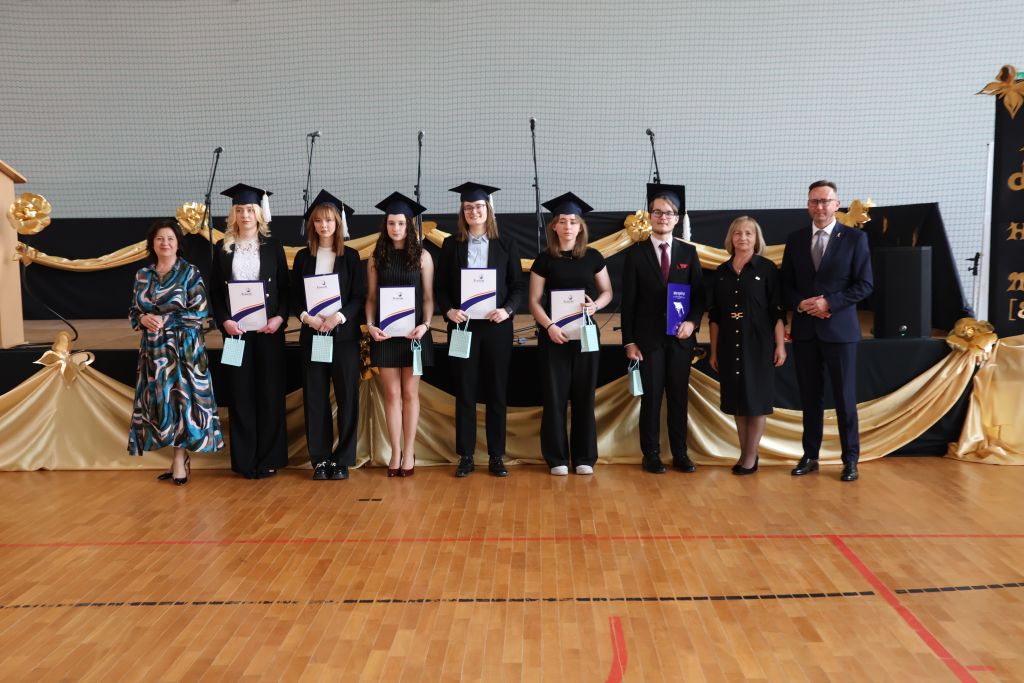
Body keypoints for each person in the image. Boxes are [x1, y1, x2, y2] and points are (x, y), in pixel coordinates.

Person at [781, 180, 873, 481]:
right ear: (808, 205)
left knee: (845, 398)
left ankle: (850, 460)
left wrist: (828, 302)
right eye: (814, 201)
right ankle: (810, 456)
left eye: (825, 201)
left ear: (836, 204)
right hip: (806, 332)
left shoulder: (855, 238)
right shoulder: (795, 239)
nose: (819, 206)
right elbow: (785, 285)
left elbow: (865, 285)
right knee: (810, 398)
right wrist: (801, 303)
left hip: (840, 332)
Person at [436, 182, 525, 478]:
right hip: (462, 328)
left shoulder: (506, 244)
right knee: (465, 392)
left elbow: (517, 286)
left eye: (478, 206)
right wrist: (448, 311)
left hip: (496, 327)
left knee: (496, 392)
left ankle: (496, 456)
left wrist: (507, 310)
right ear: (462, 212)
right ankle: (466, 455)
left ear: (488, 209)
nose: (473, 211)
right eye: (468, 207)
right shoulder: (451, 245)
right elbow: (441, 287)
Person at [128, 219, 224, 484]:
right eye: (159, 238)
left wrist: (165, 319)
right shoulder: (143, 275)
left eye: (170, 238)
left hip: (185, 349)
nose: (165, 243)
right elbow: (133, 311)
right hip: (154, 350)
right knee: (163, 404)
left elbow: (200, 313)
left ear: (178, 243)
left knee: (183, 403)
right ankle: (176, 458)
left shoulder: (189, 272)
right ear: (152, 244)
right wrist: (142, 318)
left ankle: (180, 460)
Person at [621, 183, 706, 474]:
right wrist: (629, 341)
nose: (662, 217)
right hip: (648, 341)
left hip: (681, 339)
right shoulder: (636, 254)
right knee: (652, 398)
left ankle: (680, 453)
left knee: (679, 398)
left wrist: (692, 322)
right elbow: (628, 303)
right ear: (649, 216)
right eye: (657, 212)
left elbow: (699, 297)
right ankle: (651, 454)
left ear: (677, 218)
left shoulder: (688, 252)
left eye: (668, 213)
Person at [528, 192, 613, 475]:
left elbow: (607, 292)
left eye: (573, 221)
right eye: (562, 221)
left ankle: (585, 457)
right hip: (554, 337)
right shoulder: (544, 259)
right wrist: (549, 326)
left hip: (585, 334)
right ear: (554, 226)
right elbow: (533, 301)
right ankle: (557, 458)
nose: (567, 226)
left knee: (584, 396)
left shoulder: (593, 257)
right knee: (554, 398)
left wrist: (595, 305)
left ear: (580, 227)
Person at [209, 183, 290, 479]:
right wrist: (224, 321)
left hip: (268, 332)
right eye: (240, 210)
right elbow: (215, 292)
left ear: (259, 213)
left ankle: (269, 458)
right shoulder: (222, 248)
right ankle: (244, 460)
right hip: (236, 334)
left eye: (250, 210)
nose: (245, 215)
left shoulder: (273, 247)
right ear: (233, 214)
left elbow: (286, 289)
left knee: (270, 394)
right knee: (240, 394)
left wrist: (279, 318)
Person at [291, 190, 366, 481]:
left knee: (347, 398)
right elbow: (295, 297)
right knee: (315, 397)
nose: (324, 225)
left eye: (329, 220)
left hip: (343, 337)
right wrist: (306, 317)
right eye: (319, 221)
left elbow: (358, 296)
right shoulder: (302, 257)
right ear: (312, 224)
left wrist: (339, 316)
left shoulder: (351, 256)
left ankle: (343, 459)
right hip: (313, 335)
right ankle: (320, 459)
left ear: (338, 223)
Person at [708, 216, 787, 475]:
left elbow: (777, 312)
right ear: (731, 238)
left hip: (759, 344)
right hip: (729, 344)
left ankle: (751, 457)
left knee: (756, 401)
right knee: (737, 402)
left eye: (748, 233)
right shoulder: (721, 272)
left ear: (756, 238)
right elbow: (715, 316)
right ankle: (745, 454)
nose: (743, 238)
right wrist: (714, 350)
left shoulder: (767, 269)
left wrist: (780, 346)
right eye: (738, 233)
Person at [365, 192, 434, 477]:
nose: (396, 228)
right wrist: (370, 325)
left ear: (410, 225)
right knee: (392, 394)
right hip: (385, 335)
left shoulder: (423, 257)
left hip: (414, 335)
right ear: (386, 225)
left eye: (401, 223)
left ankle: (409, 451)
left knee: (409, 394)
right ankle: (395, 451)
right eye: (391, 223)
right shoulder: (376, 257)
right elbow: (371, 298)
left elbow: (428, 298)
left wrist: (426, 325)